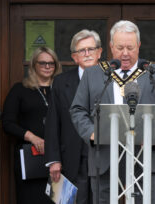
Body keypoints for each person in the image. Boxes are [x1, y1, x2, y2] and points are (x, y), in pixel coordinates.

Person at [70, 20, 155, 204]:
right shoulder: (93, 74)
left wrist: (154, 135)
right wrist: (91, 133)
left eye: (130, 47)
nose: (125, 53)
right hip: (104, 159)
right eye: (119, 47)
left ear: (139, 46)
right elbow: (78, 109)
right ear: (110, 47)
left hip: (145, 159)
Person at [44, 29, 102, 204]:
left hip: (104, 155)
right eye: (81, 51)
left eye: (91, 49)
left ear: (99, 52)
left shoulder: (112, 78)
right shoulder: (61, 82)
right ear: (74, 57)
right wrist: (53, 160)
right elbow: (53, 123)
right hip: (72, 157)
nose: (86, 54)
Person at [2, 46, 62, 204]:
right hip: (30, 158)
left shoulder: (62, 90)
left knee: (58, 200)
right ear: (34, 65)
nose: (47, 66)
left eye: (51, 63)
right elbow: (7, 123)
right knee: (31, 199)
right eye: (42, 63)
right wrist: (33, 138)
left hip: (58, 158)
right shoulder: (20, 90)